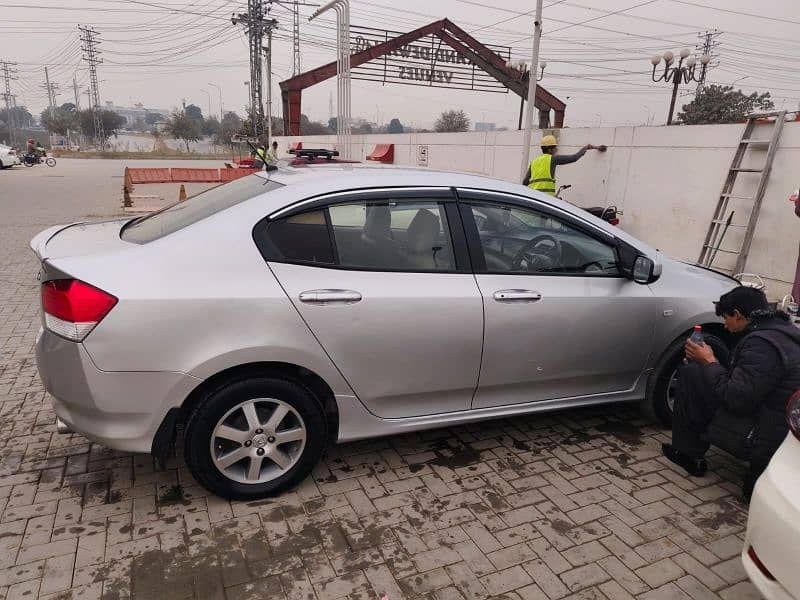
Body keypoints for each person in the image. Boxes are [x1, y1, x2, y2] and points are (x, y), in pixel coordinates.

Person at [663, 286, 800, 500]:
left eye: (726, 318)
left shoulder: (762, 344)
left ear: (737, 314)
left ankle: (688, 454)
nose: (725, 326)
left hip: (763, 438)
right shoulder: (785, 333)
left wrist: (708, 361)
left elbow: (736, 398)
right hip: (785, 432)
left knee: (692, 373)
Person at [522, 135, 607, 195]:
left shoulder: (534, 162)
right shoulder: (553, 159)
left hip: (535, 199)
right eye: (555, 147)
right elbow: (574, 158)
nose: (557, 149)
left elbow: (525, 182)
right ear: (550, 149)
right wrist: (585, 148)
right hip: (546, 200)